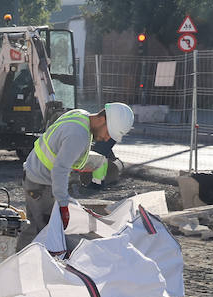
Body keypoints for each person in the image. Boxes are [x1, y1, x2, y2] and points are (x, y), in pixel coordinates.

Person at [16, 103, 135, 251]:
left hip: (34, 174)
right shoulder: (78, 135)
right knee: (44, 233)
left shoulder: (80, 115)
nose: (106, 138)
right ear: (102, 119)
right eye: (108, 133)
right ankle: (27, 267)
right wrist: (63, 204)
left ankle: (20, 265)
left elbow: (60, 149)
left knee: (34, 227)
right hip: (41, 184)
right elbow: (60, 169)